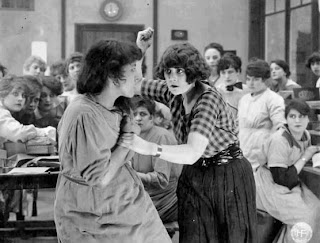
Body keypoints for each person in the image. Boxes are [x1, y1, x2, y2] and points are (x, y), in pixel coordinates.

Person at [120, 32, 257, 242]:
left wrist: (148, 148)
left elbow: (193, 151)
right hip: (195, 173)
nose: (172, 78)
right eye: (168, 72)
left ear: (192, 73)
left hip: (228, 174)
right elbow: (136, 83)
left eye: (180, 72)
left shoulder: (208, 99)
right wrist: (141, 50)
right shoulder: (172, 90)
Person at [54, 29, 171, 242]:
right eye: (133, 69)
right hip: (94, 216)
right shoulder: (84, 113)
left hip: (126, 204)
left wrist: (140, 50)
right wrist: (127, 140)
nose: (139, 77)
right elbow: (100, 178)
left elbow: (133, 82)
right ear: (112, 76)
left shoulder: (111, 102)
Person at [255, 99, 320, 243]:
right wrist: (306, 156)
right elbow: (281, 179)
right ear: (286, 118)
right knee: (303, 219)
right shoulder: (280, 140)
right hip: (270, 184)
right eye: (292, 116)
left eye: (302, 116)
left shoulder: (305, 135)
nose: (297, 120)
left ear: (308, 118)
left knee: (317, 208)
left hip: (289, 182)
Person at [130, 96, 182, 223]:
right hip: (144, 198)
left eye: (143, 114)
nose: (137, 118)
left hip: (165, 202)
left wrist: (134, 176)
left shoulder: (161, 136)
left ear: (152, 117)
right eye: (134, 114)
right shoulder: (134, 136)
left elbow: (161, 179)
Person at [238, 59, 287, 172]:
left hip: (262, 153)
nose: (251, 83)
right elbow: (238, 126)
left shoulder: (273, 99)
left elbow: (280, 126)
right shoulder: (244, 99)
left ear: (265, 80)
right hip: (244, 150)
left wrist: (268, 152)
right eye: (249, 79)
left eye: (256, 79)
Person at [216, 53, 249, 124]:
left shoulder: (248, 91)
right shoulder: (216, 92)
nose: (227, 76)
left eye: (230, 72)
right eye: (223, 73)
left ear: (238, 71)